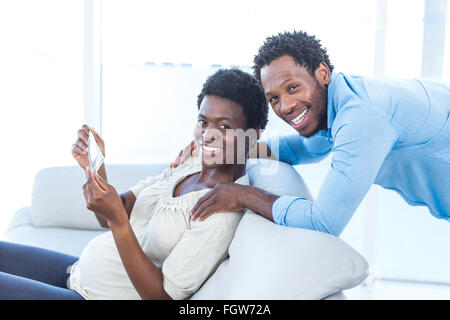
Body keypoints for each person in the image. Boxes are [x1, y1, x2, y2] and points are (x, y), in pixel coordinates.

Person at [0, 68, 268, 300]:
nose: (207, 135)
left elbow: (161, 296)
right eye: (203, 122)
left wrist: (118, 221)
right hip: (79, 273)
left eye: (223, 126)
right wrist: (95, 168)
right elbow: (109, 216)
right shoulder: (189, 165)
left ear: (251, 136)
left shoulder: (219, 213)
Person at [174, 30, 450, 237]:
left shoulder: (362, 116)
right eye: (274, 99)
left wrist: (245, 195)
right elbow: (303, 148)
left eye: (292, 88)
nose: (286, 107)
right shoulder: (342, 101)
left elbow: (324, 222)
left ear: (322, 73)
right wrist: (224, 144)